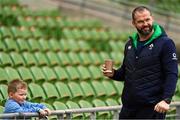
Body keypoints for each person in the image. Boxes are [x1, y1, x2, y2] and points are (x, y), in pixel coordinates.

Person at [102, 6, 178, 119]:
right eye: (141, 21)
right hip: (128, 108)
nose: (145, 24)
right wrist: (113, 74)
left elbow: (172, 74)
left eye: (147, 20)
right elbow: (125, 72)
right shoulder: (130, 44)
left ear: (152, 18)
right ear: (133, 23)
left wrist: (166, 100)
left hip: (152, 108)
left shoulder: (166, 43)